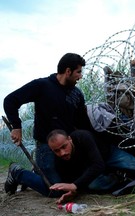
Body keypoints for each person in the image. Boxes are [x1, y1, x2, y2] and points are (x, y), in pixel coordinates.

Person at [3, 53, 91, 185]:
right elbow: (10, 100)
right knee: (54, 189)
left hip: (67, 147)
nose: (80, 76)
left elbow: (83, 123)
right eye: (78, 72)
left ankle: (39, 172)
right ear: (68, 71)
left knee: (72, 183)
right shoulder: (42, 86)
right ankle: (18, 173)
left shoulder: (77, 94)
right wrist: (16, 126)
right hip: (46, 147)